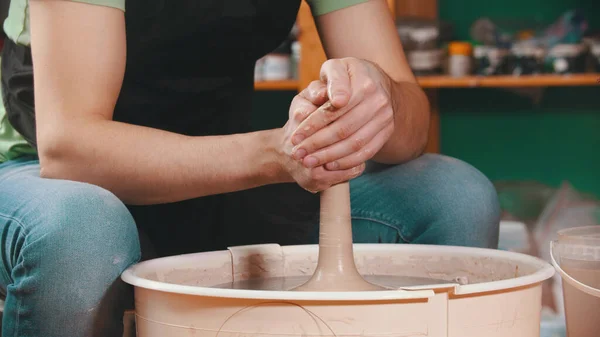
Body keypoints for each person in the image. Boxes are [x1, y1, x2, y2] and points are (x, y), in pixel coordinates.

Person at [0, 0, 500, 335]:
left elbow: (411, 124)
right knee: (84, 233)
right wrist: (277, 154)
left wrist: (378, 96)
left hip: (216, 165)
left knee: (453, 194)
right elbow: (71, 149)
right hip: (44, 173)